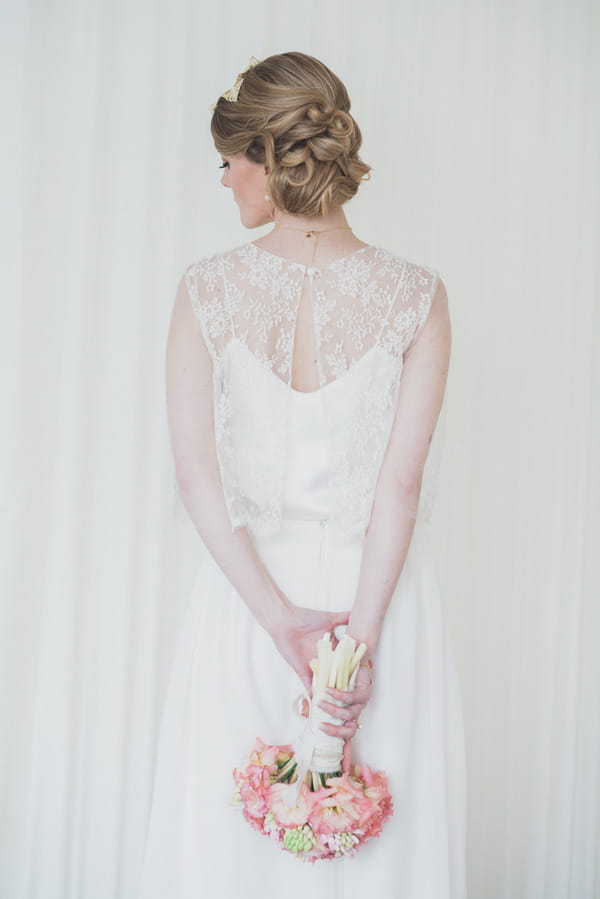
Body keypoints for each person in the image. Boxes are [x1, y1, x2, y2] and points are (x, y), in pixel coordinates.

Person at [137, 51, 467, 898]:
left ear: (267, 159)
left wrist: (284, 620)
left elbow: (194, 474)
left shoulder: (206, 289)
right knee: (378, 854)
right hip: (373, 603)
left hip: (253, 601)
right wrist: (351, 650)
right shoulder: (417, 293)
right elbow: (398, 488)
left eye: (226, 160)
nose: (222, 182)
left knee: (225, 852)